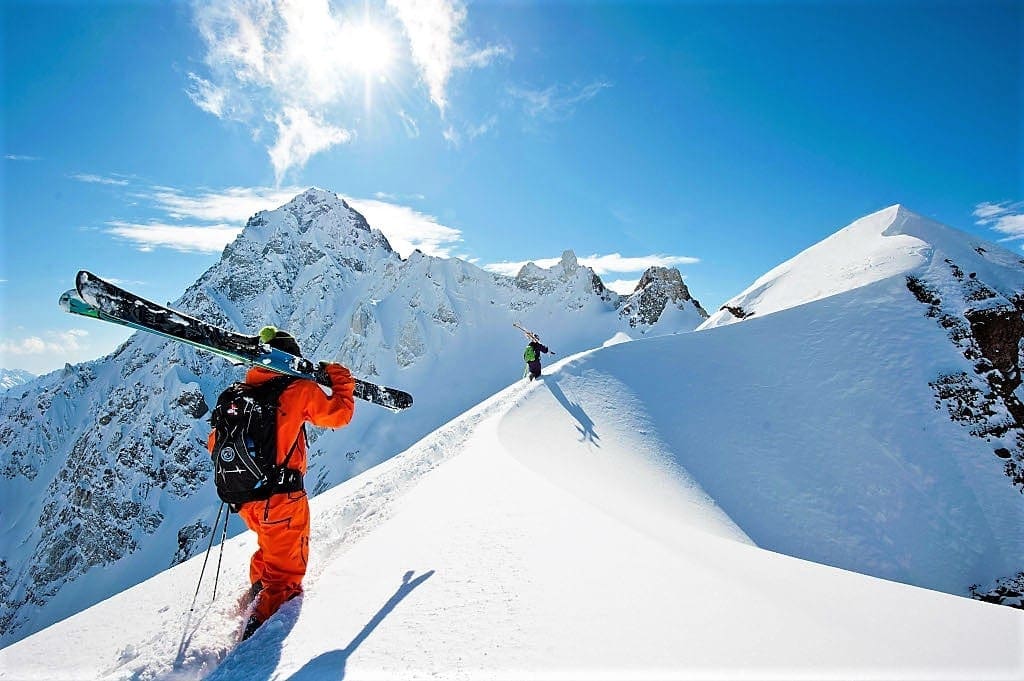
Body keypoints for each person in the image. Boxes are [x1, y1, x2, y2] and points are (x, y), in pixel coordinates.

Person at [207, 327, 355, 641]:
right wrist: (340, 379)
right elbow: (339, 415)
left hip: (247, 501)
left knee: (270, 550)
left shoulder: (237, 396)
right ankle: (253, 644)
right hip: (283, 499)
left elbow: (214, 445)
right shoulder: (296, 390)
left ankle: (256, 592)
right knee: (286, 578)